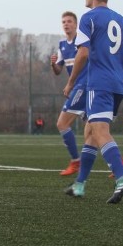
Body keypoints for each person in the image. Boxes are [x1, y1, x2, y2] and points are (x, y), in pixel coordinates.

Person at [63, 0, 123, 204]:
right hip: (119, 84)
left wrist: (71, 82)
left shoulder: (89, 18)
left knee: (100, 131)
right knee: (91, 132)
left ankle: (122, 177)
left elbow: (82, 54)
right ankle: (80, 185)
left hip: (99, 83)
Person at [50, 11, 87, 176]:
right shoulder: (62, 45)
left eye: (69, 21)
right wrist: (53, 64)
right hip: (80, 87)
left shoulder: (82, 42)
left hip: (83, 86)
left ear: (76, 24)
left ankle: (75, 162)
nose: (66, 24)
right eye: (63, 22)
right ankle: (119, 161)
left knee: (62, 124)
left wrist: (70, 84)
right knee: (95, 128)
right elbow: (58, 70)